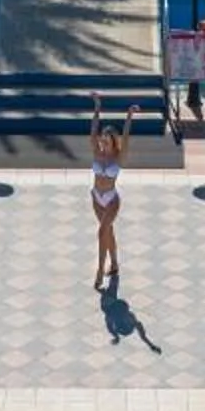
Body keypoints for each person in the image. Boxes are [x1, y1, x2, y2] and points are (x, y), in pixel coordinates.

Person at [89, 95, 136, 289]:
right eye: (103, 140)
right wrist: (97, 108)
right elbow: (92, 131)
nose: (103, 143)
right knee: (107, 232)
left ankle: (100, 270)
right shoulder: (97, 152)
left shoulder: (118, 157)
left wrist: (129, 116)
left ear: (113, 141)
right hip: (96, 197)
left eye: (107, 141)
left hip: (111, 200)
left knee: (102, 232)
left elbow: (126, 137)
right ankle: (114, 264)